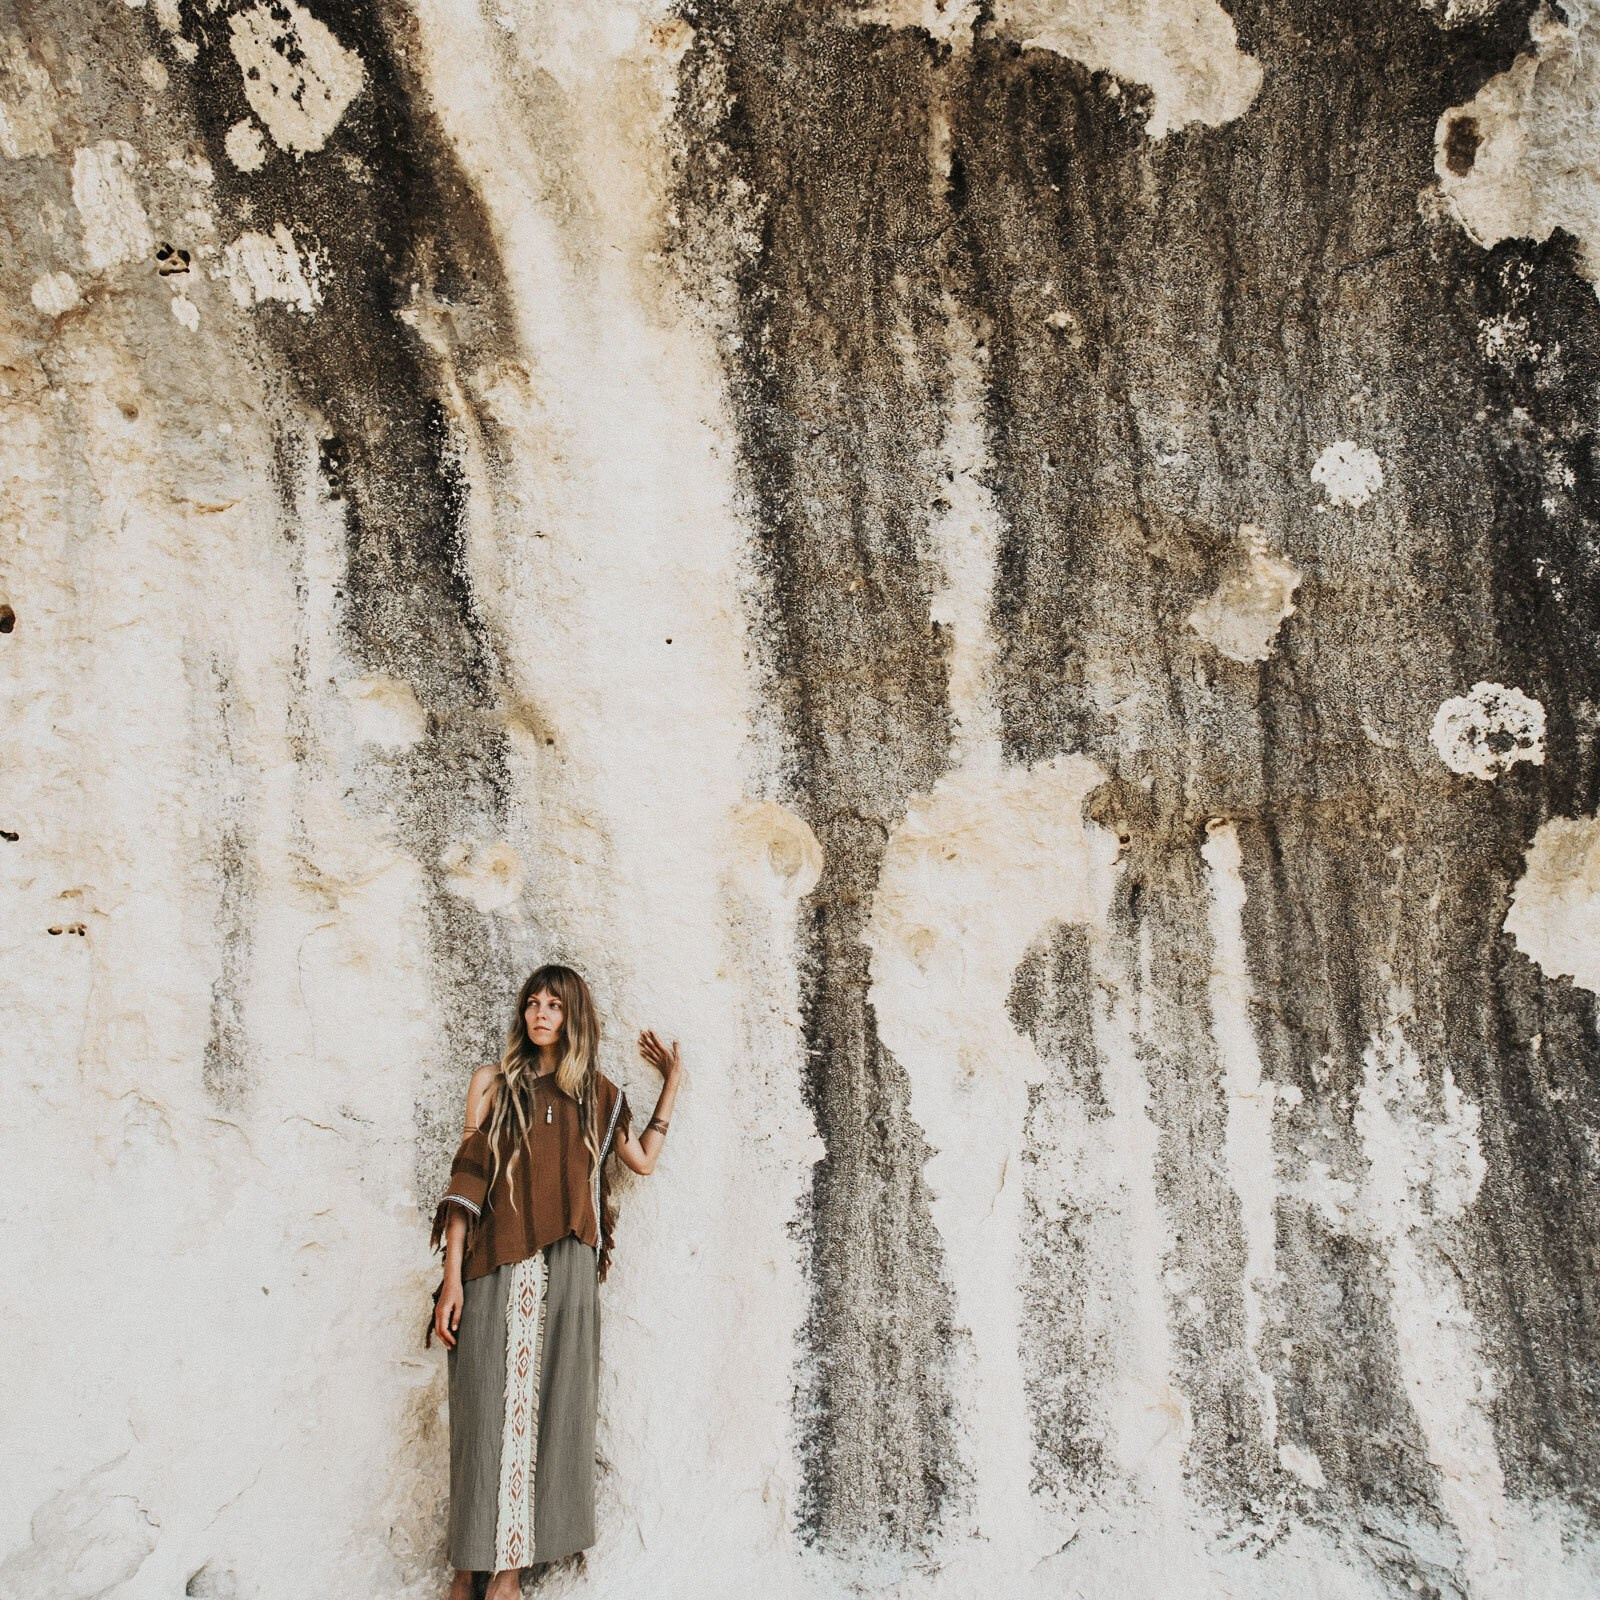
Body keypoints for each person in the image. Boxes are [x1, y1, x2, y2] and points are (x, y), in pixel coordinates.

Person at [429, 964, 682, 1599]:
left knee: (543, 1411)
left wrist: (673, 1085)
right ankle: (467, 1569)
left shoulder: (599, 1095)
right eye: (533, 1003)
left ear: (573, 1018)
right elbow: (467, 1181)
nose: (541, 1014)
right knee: (484, 1409)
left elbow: (642, 1162)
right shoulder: (492, 1083)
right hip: (493, 1266)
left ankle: (508, 1575)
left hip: (566, 1270)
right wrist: (452, 1278)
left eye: (555, 1006)